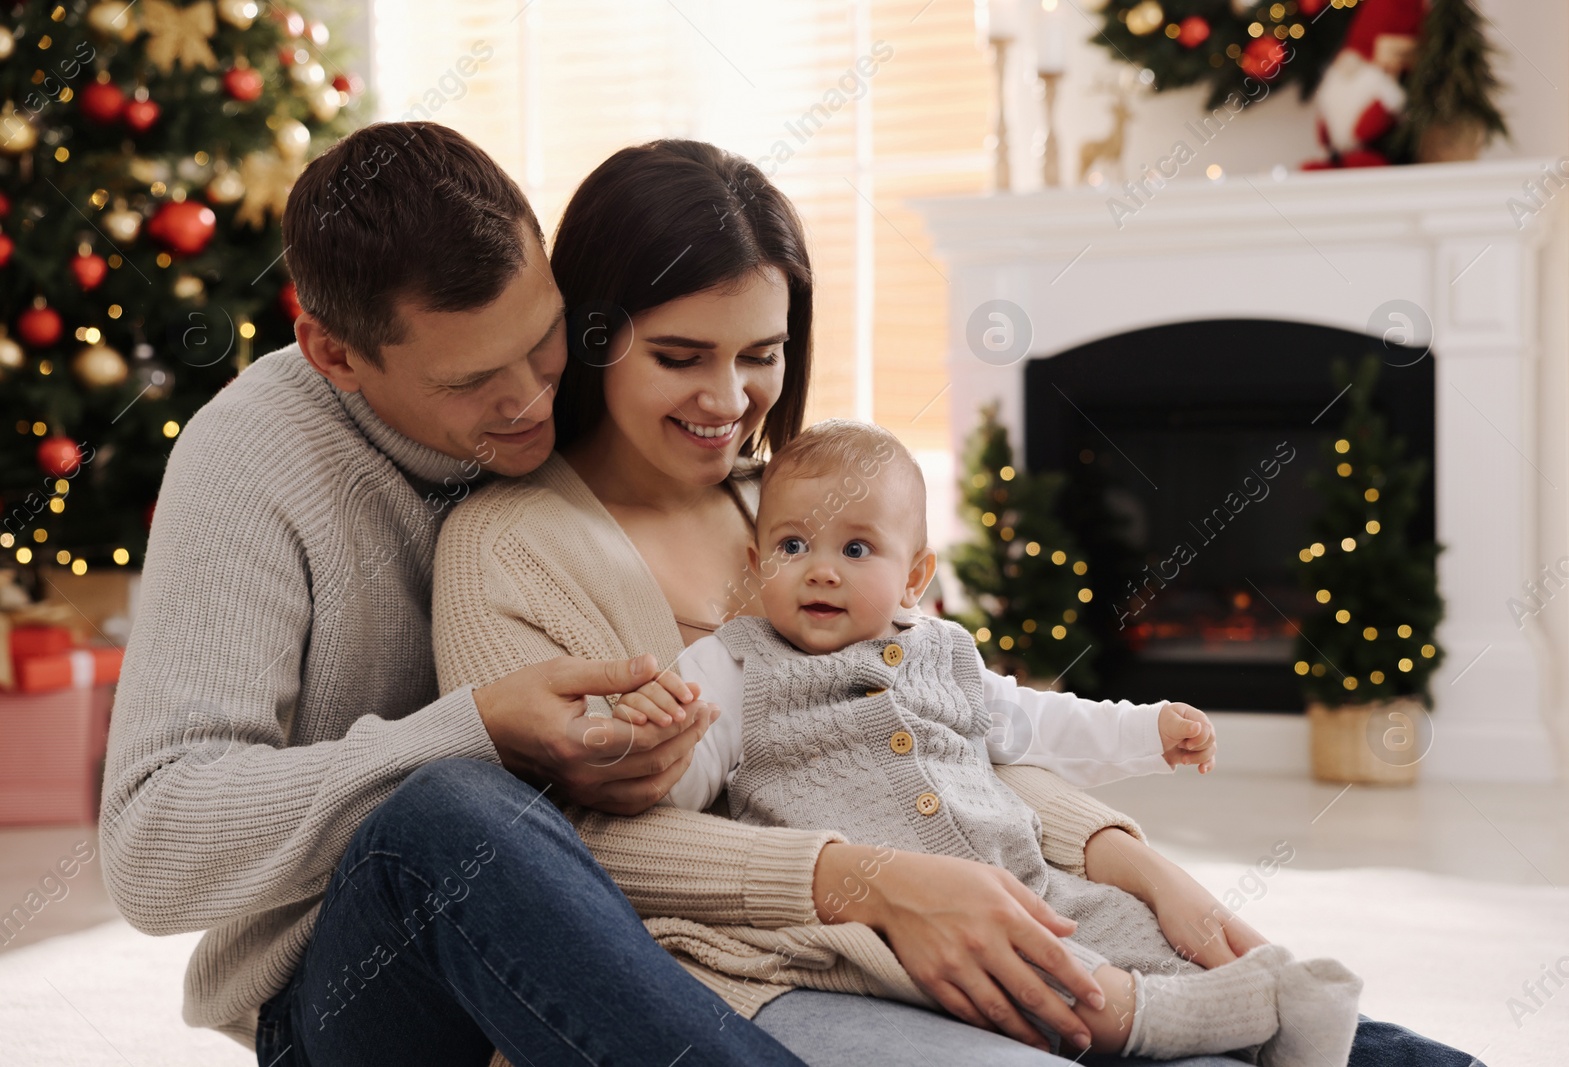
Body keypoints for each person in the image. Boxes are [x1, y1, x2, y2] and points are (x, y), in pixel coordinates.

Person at [433, 137, 1480, 1066]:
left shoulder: (809, 498)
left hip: (1009, 897)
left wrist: (1133, 863)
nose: (728, 400)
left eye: (762, 354)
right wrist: (875, 882)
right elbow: (548, 851)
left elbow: (954, 719)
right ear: (596, 334)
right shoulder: (509, 546)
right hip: (768, 964)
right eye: (681, 357)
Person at [98, 122, 808, 1067]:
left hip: (613, 950)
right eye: (475, 379)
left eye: (544, 339)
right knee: (448, 814)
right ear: (334, 352)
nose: (534, 402)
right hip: (357, 991)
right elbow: (152, 844)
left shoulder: (631, 425)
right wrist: (475, 728)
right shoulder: (253, 459)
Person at [649, 418, 1362, 1064]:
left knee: (1137, 930)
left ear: (914, 577)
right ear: (756, 560)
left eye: (857, 547)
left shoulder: (945, 652)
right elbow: (674, 770)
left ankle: (1265, 1025)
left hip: (1027, 878)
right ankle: (1227, 1015)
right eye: (793, 544)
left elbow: (1039, 726)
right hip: (893, 928)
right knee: (1063, 990)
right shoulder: (736, 665)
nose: (821, 568)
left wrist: (1146, 730)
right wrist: (648, 746)